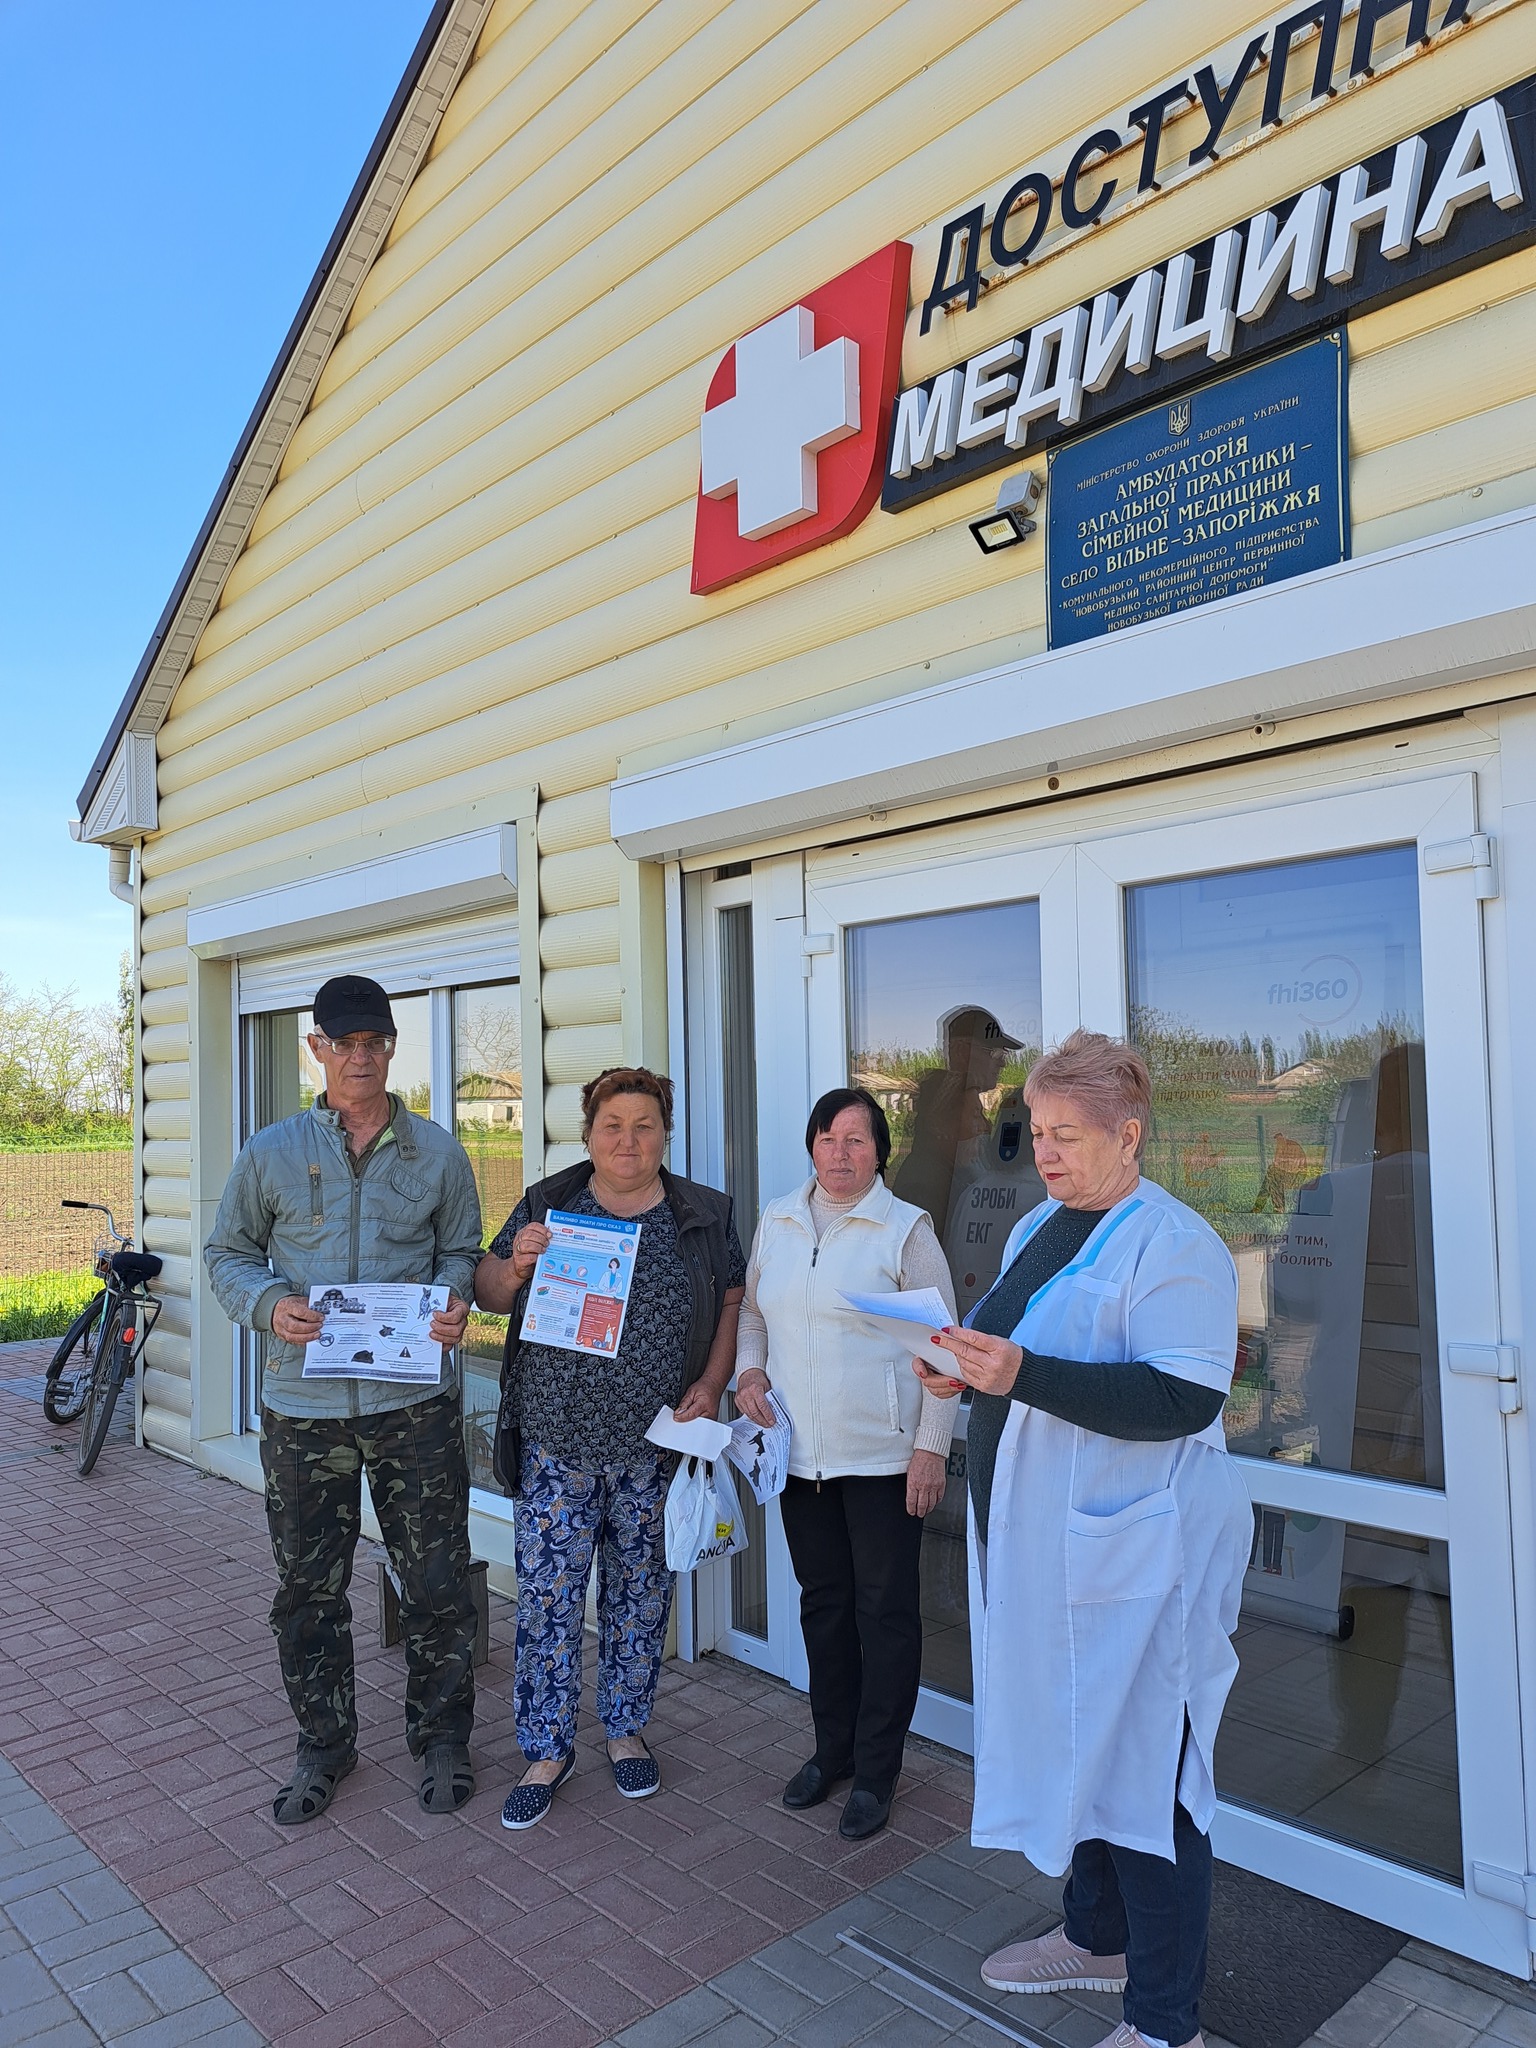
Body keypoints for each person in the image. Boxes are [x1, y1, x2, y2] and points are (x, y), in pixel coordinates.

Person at [926, 1031, 1252, 2048]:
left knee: (1148, 1779)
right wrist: (955, 1365)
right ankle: (1095, 1936)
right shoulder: (1041, 1226)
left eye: (1068, 1133)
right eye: (1038, 1130)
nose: (1046, 1151)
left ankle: (1165, 2022)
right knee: (1081, 1751)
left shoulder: (1176, 1243)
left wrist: (1018, 1375)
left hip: (1138, 1560)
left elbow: (1184, 1396)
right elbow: (999, 1342)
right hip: (1040, 1551)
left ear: (1130, 1132)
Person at [204, 975, 484, 1824]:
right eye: (344, 1043)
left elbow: (461, 1251)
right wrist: (266, 1305)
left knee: (436, 1581)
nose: (361, 1057)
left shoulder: (438, 1153)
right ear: (316, 1048)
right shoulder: (270, 1152)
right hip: (304, 1409)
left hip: (413, 1406)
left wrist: (454, 1299)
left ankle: (442, 1739)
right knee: (307, 1590)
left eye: (376, 1042)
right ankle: (324, 1745)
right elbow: (227, 1254)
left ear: (391, 1048)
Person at [475, 1067, 745, 1829]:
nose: (629, 1141)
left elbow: (731, 1300)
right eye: (612, 1126)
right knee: (548, 1599)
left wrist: (714, 1381)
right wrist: (516, 1265)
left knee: (640, 1595)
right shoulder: (548, 1203)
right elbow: (488, 1289)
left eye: (645, 1125)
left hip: (654, 1448)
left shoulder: (705, 1214)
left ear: (666, 1133)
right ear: (588, 1134)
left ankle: (625, 1729)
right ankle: (546, 1750)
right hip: (556, 1444)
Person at [735, 1086, 959, 1841]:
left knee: (885, 1615)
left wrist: (930, 1449)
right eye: (828, 1138)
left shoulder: (904, 1231)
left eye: (857, 1140)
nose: (840, 1153)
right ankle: (831, 1750)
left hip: (883, 1461)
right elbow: (755, 1314)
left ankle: (876, 1771)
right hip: (800, 1459)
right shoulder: (779, 1219)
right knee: (823, 1606)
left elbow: (944, 1352)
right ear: (811, 1146)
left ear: (880, 1153)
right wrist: (749, 1372)